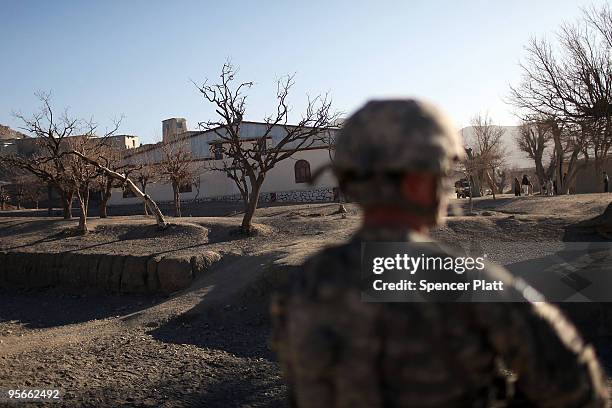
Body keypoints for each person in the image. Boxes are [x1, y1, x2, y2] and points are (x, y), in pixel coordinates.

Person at [270, 99, 608, 408]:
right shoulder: (467, 280)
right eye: (443, 170)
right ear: (418, 180)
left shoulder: (302, 285)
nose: (447, 185)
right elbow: (579, 390)